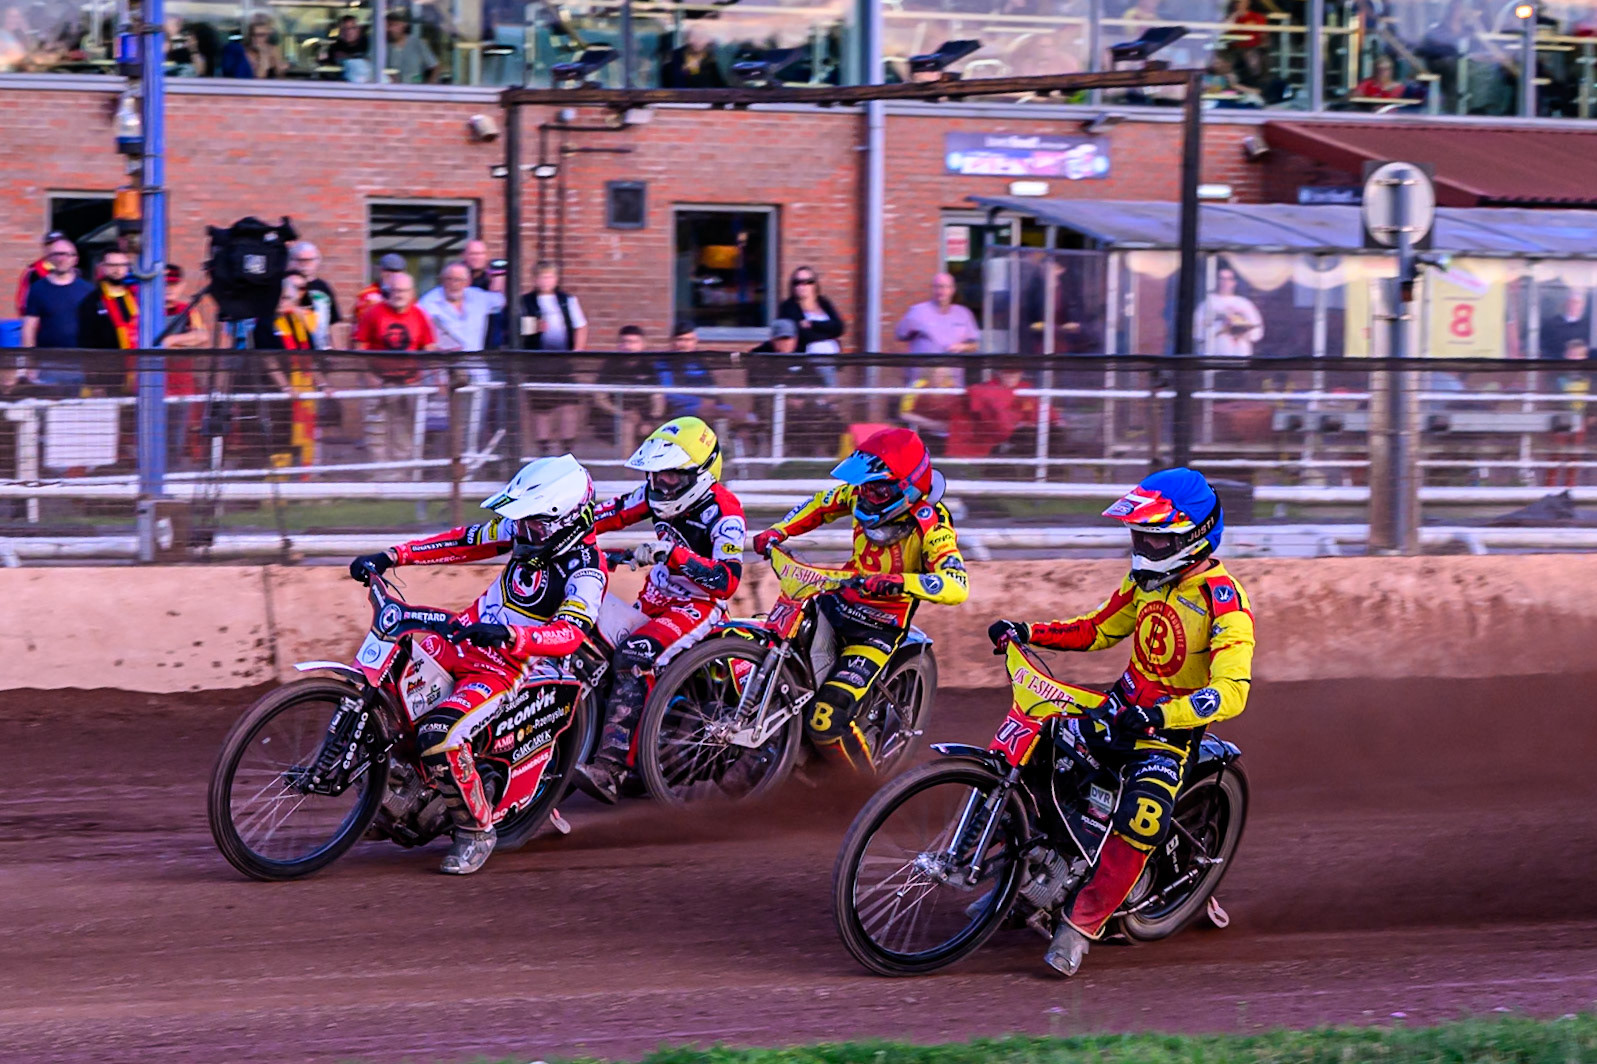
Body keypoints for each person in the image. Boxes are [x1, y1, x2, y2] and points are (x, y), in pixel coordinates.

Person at [987, 467, 1255, 977]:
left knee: (1142, 818)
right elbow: (1095, 630)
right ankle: (1011, 882)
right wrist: (1028, 629)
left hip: (1167, 734)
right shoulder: (1144, 582)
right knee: (1038, 756)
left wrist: (1161, 714)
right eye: (1139, 534)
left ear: (1191, 537)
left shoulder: (1224, 603)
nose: (1142, 545)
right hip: (1118, 710)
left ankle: (1078, 926)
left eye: (1154, 536)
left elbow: (1232, 691)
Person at [346, 454, 607, 874]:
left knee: (438, 732)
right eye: (520, 521)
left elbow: (571, 633)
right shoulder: (529, 530)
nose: (521, 531)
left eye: (532, 524)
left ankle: (476, 830)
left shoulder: (587, 572)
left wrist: (513, 636)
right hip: (461, 638)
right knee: (389, 687)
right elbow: (464, 540)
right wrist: (391, 555)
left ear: (568, 521)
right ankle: (396, 790)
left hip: (506, 668)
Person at [750, 428, 969, 769]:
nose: (866, 495)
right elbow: (820, 505)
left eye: (878, 488)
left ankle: (860, 790)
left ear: (908, 487)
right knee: (777, 654)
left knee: (824, 721)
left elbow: (956, 584)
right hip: (833, 602)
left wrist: (899, 582)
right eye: (865, 485)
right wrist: (779, 530)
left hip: (877, 631)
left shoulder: (932, 524)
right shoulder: (860, 496)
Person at [576, 417, 747, 801]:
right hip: (655, 598)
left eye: (670, 476)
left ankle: (610, 769)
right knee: (585, 628)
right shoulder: (653, 494)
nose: (659, 484)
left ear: (699, 474)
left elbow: (727, 580)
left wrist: (675, 555)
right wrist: (563, 524)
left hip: (698, 605)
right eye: (655, 475)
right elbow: (607, 515)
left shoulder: (725, 512)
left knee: (635, 655)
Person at [354, 271, 437, 476]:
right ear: (388, 291)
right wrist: (368, 376)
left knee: (404, 430)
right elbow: (359, 347)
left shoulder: (420, 315)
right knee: (376, 430)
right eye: (395, 290)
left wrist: (432, 378)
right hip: (378, 381)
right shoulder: (373, 313)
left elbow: (429, 350)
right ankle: (380, 476)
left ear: (412, 292)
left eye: (403, 291)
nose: (399, 294)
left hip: (409, 382)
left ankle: (401, 476)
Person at [518, 261, 587, 454]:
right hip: (538, 361)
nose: (546, 280)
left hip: (563, 360)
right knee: (541, 407)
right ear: (534, 279)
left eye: (549, 276)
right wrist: (534, 328)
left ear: (556, 279)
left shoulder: (567, 300)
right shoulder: (526, 301)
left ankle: (567, 448)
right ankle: (544, 449)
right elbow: (517, 331)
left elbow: (580, 326)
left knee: (568, 404)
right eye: (541, 277)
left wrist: (577, 352)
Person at [21, 235, 93, 391]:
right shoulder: (38, 289)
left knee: (76, 411)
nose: (62, 259)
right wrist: (29, 362)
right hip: (47, 361)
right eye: (57, 254)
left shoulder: (88, 290)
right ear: (49, 258)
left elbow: (96, 329)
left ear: (75, 259)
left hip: (79, 362)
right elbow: (29, 327)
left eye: (67, 254)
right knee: (48, 410)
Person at [895, 273, 980, 357]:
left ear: (953, 289)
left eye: (946, 287)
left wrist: (963, 347)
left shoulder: (963, 314)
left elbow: (975, 346)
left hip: (952, 369)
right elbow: (900, 335)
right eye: (938, 286)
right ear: (932, 289)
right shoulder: (917, 312)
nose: (941, 291)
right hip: (923, 369)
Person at [77, 248, 139, 353]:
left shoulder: (137, 296)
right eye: (112, 265)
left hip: (139, 360)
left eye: (122, 265)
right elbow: (86, 341)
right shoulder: (91, 301)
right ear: (103, 267)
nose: (117, 270)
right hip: (105, 363)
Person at [776, 266, 845, 356]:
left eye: (808, 282)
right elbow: (802, 335)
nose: (802, 286)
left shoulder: (824, 303)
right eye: (797, 282)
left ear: (815, 284)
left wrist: (812, 324)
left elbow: (839, 327)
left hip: (832, 360)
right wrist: (830, 335)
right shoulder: (788, 307)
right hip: (805, 361)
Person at [1197, 264, 1264, 356]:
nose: (1225, 282)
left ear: (1234, 282)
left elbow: (1257, 331)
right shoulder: (1207, 304)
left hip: (1240, 356)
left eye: (1229, 279)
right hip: (1214, 356)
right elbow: (1197, 332)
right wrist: (1222, 327)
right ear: (1216, 281)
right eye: (1221, 278)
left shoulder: (1244, 303)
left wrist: (1241, 330)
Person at [288, 242, 344, 349]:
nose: (305, 264)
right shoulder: (286, 285)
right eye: (300, 260)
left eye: (310, 260)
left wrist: (338, 350)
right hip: (292, 346)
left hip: (320, 347)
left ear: (317, 261)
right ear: (292, 261)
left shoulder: (323, 287)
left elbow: (333, 322)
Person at [220, 13, 286, 78]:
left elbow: (280, 76)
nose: (257, 38)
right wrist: (263, 55)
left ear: (268, 35)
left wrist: (279, 66)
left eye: (261, 35)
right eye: (253, 35)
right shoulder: (243, 52)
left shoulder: (273, 49)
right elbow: (259, 78)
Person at [14, 230, 59, 315]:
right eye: (51, 245)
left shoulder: (73, 273)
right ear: (45, 248)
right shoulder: (33, 271)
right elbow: (22, 303)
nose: (56, 248)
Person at [386, 12, 437, 84]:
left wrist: (429, 86)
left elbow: (435, 67)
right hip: (391, 90)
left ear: (403, 25)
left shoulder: (417, 43)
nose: (390, 29)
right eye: (387, 26)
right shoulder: (382, 45)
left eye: (394, 25)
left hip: (415, 89)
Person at [355, 253, 409, 318]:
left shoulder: (407, 295)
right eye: (389, 271)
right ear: (381, 272)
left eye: (397, 271)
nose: (393, 275)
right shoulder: (367, 294)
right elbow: (363, 320)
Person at [324, 14, 370, 81]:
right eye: (343, 29)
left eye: (352, 28)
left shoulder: (368, 44)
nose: (348, 32)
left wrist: (348, 57)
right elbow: (328, 68)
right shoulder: (335, 47)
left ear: (359, 29)